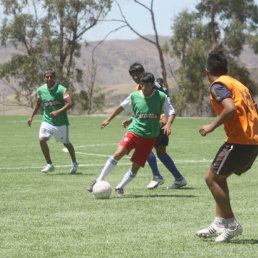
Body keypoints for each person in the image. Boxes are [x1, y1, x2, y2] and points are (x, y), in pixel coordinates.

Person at [196, 50, 258, 243]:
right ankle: (219, 223)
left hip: (239, 140)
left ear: (207, 72)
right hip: (251, 140)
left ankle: (231, 224)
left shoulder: (218, 85)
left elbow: (230, 108)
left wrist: (211, 126)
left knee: (211, 178)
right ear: (227, 69)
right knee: (219, 178)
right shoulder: (240, 85)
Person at [87, 72, 176, 197]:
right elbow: (121, 107)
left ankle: (120, 187)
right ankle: (98, 180)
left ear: (152, 85)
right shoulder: (134, 96)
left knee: (136, 166)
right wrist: (108, 119)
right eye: (142, 85)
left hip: (150, 137)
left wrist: (168, 124)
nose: (144, 88)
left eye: (146, 86)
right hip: (134, 131)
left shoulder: (161, 97)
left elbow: (172, 112)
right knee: (118, 153)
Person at [125, 62, 187, 189]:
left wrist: (166, 119)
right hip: (150, 122)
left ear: (143, 72)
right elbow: (144, 107)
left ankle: (159, 176)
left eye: (138, 74)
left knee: (147, 149)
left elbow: (166, 100)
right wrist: (132, 118)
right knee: (159, 152)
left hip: (157, 123)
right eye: (133, 75)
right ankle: (178, 178)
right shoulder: (140, 87)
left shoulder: (154, 85)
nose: (136, 77)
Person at [27, 69, 79, 174]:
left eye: (51, 77)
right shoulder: (41, 90)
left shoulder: (61, 89)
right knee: (42, 139)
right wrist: (31, 116)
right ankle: (49, 164)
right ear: (44, 78)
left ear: (54, 78)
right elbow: (38, 103)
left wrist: (58, 112)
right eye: (47, 77)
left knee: (66, 143)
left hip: (61, 122)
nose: (49, 79)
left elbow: (70, 103)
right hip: (47, 120)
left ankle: (74, 162)